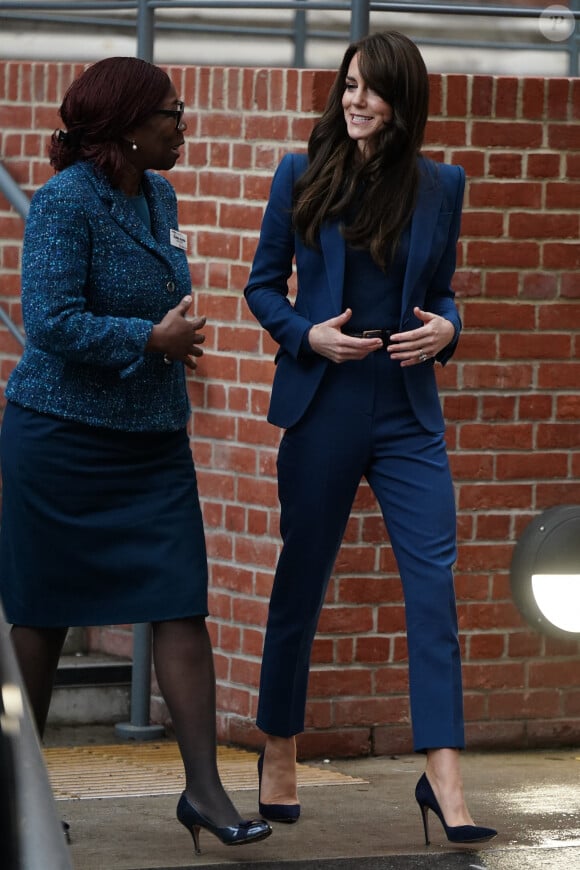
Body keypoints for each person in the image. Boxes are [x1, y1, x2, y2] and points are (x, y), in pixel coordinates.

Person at [0, 56, 271, 855]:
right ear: (123, 127)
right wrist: (146, 337)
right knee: (43, 617)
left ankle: (203, 790)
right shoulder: (61, 203)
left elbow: (147, 300)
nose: (182, 127)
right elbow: (48, 319)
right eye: (171, 115)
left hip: (151, 443)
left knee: (181, 601)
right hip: (60, 441)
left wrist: (169, 341)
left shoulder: (159, 194)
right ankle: (19, 798)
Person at [244, 31, 497, 845]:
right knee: (301, 582)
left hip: (406, 413)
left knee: (434, 591)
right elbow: (261, 285)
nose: (354, 100)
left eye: (371, 89)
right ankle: (278, 749)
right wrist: (304, 335)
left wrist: (446, 330)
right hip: (324, 403)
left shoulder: (440, 186)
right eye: (348, 85)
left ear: (402, 101)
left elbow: (446, 292)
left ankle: (445, 779)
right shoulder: (299, 173)